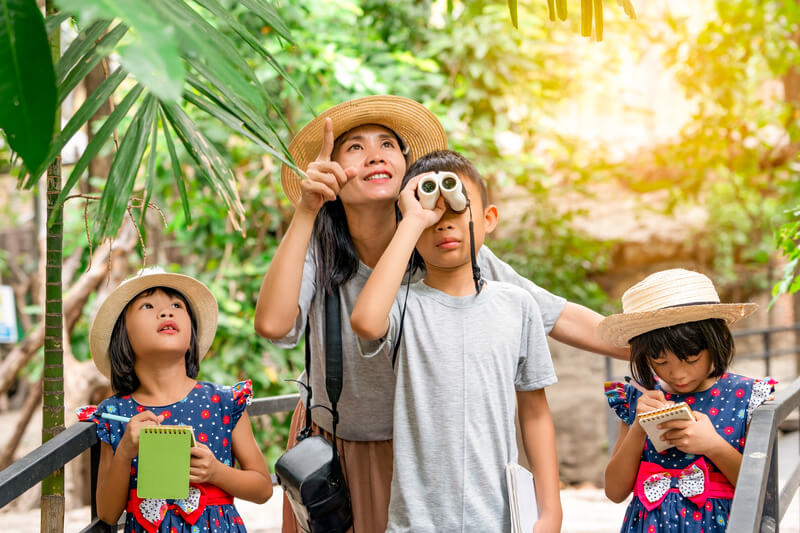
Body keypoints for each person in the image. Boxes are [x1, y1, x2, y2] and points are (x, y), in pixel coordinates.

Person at [254, 95, 625, 532]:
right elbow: (274, 326)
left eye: (388, 144)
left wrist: (658, 339)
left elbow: (558, 316)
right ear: (333, 172)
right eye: (354, 147)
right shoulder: (321, 245)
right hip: (337, 445)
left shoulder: (445, 246)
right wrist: (307, 208)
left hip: (425, 453)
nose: (374, 153)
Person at [350, 150, 562, 532]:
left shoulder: (517, 306)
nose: (443, 225)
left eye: (456, 211)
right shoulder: (403, 307)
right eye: (432, 215)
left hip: (498, 519)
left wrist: (551, 512)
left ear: (488, 219)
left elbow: (534, 412)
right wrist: (413, 218)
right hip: (417, 522)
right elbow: (365, 322)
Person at [89, 268, 273, 532]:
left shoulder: (223, 402)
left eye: (177, 305)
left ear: (191, 340)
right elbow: (107, 513)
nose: (167, 312)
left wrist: (216, 472)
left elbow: (263, 488)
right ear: (124, 338)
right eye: (148, 305)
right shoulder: (114, 413)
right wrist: (125, 452)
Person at [599, 269, 775, 532]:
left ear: (720, 339)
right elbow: (614, 491)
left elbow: (762, 488)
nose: (678, 373)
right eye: (660, 361)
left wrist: (714, 445)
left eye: (691, 358)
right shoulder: (639, 398)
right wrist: (638, 427)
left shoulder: (745, 396)